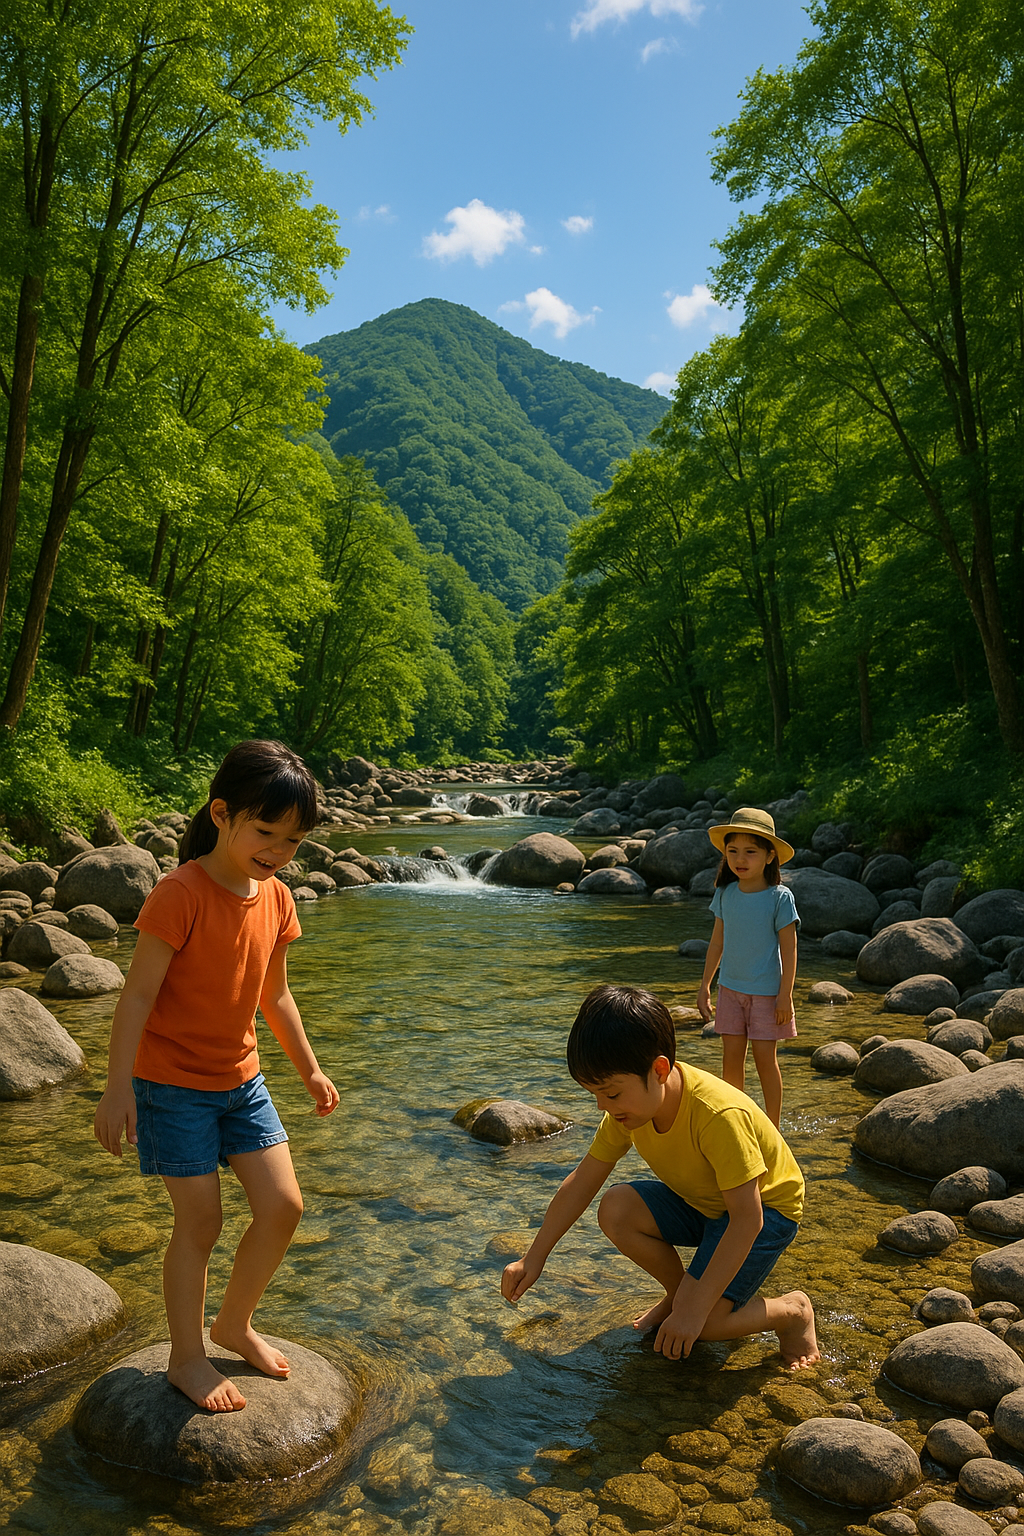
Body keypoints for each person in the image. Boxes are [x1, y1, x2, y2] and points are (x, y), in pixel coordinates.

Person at [94, 739, 340, 1413]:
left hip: (242, 1081)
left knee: (284, 1207)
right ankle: (187, 1355)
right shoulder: (181, 893)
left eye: (292, 840)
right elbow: (137, 996)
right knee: (200, 1223)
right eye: (266, 832)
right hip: (171, 1085)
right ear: (222, 813)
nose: (277, 850)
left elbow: (276, 995)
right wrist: (117, 1087)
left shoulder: (278, 898)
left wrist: (311, 1070)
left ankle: (233, 1324)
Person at [500, 984, 818, 1369]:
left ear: (660, 1069)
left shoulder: (717, 1116)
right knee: (616, 1207)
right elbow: (583, 1181)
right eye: (594, 1094)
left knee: (704, 1324)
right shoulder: (629, 1112)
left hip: (765, 1212)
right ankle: (678, 1292)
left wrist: (695, 1311)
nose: (602, 1105)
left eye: (611, 1093)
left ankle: (791, 1311)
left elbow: (748, 1219)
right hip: (705, 1204)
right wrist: (533, 1258)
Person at [696, 808, 799, 1129]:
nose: (740, 859)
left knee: (765, 1062)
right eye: (733, 851)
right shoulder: (726, 893)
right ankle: (735, 1124)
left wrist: (786, 996)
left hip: (767, 995)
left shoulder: (780, 898)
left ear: (770, 857)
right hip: (730, 991)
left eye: (750, 852)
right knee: (731, 1062)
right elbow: (716, 943)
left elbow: (790, 949)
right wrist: (705, 987)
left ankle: (774, 1126)